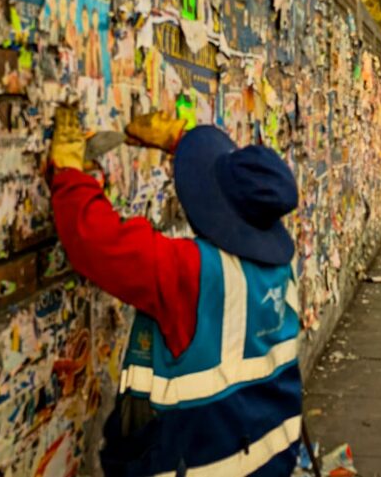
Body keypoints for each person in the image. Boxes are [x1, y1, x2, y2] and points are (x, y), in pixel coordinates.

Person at [48, 106, 303, 476]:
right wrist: (182, 144)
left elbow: (98, 243)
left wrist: (69, 174)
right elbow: (245, 190)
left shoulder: (191, 273)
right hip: (271, 458)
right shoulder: (282, 266)